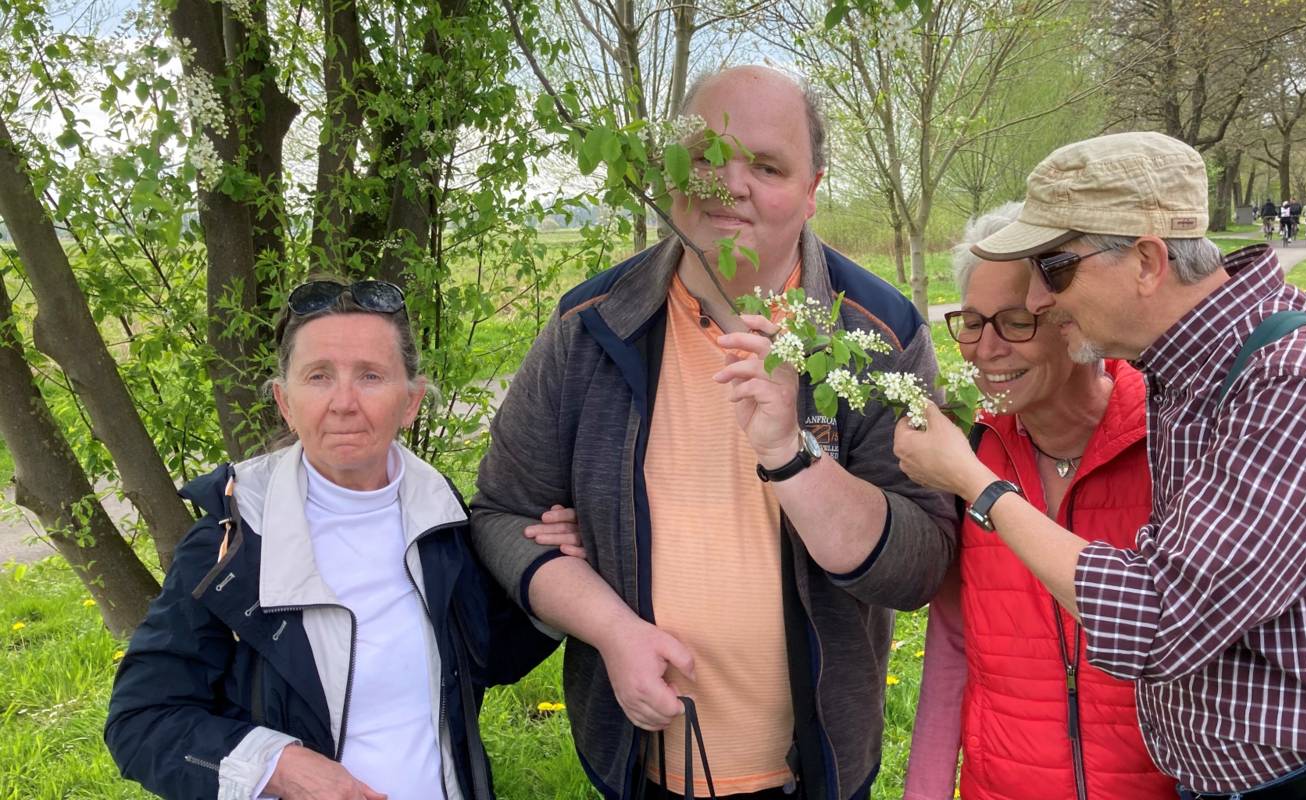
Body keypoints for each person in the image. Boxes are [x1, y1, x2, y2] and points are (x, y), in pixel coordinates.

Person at [893, 132, 1306, 799]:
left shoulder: (1292, 378)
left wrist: (976, 485)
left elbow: (1160, 617)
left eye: (1055, 268)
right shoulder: (1187, 376)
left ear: (1149, 261)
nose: (1038, 299)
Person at [470, 65, 956, 800]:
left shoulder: (878, 334)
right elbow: (501, 514)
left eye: (766, 165)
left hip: (815, 768)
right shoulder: (589, 327)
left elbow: (921, 566)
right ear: (668, 171)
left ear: (812, 189)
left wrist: (792, 456)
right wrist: (608, 628)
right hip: (639, 764)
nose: (729, 184)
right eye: (704, 157)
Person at [105, 279, 557, 800]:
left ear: (410, 402)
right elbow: (142, 722)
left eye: (370, 375)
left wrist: (543, 561)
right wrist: (277, 766)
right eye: (319, 377)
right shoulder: (234, 542)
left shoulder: (440, 518)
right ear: (285, 402)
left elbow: (484, 658)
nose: (344, 402)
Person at [903, 203, 1175, 800]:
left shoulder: (1169, 443)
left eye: (1014, 322)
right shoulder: (966, 454)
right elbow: (951, 644)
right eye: (971, 322)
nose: (986, 349)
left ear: (1070, 317)